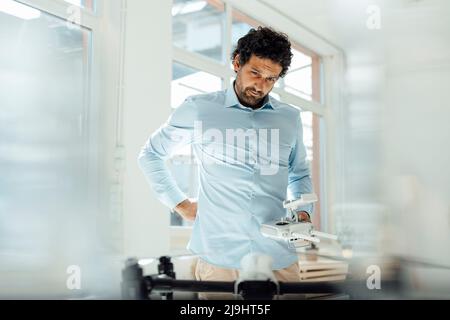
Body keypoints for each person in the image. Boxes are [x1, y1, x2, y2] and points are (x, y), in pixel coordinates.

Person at [138, 26, 314, 298]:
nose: (261, 85)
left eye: (271, 78)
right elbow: (151, 154)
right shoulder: (200, 109)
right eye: (255, 72)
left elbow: (299, 173)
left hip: (279, 258)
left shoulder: (289, 118)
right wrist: (180, 203)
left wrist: (303, 213)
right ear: (236, 63)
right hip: (220, 260)